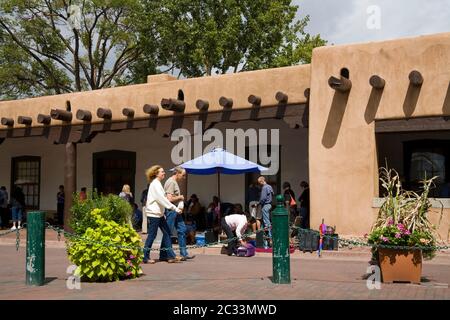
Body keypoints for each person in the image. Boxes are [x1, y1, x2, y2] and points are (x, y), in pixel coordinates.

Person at [143, 165, 182, 264]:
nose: (164, 173)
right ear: (156, 174)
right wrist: (175, 208)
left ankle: (170, 256)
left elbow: (162, 200)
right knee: (152, 235)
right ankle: (146, 257)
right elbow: (162, 199)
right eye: (162, 172)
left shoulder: (158, 183)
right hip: (154, 214)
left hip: (159, 214)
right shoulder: (155, 184)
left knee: (167, 232)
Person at [161, 167, 195, 261]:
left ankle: (183, 253)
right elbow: (169, 199)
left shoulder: (173, 182)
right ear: (177, 173)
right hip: (171, 210)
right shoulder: (171, 182)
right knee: (168, 232)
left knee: (182, 229)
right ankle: (165, 254)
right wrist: (180, 197)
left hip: (176, 210)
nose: (183, 178)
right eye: (183, 175)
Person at [257, 176, 273, 247]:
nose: (259, 184)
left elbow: (263, 198)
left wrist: (258, 203)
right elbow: (272, 194)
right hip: (270, 205)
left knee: (266, 221)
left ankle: (270, 237)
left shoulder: (264, 187)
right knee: (267, 221)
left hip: (265, 205)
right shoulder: (270, 186)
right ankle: (268, 236)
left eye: (259, 183)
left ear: (261, 181)